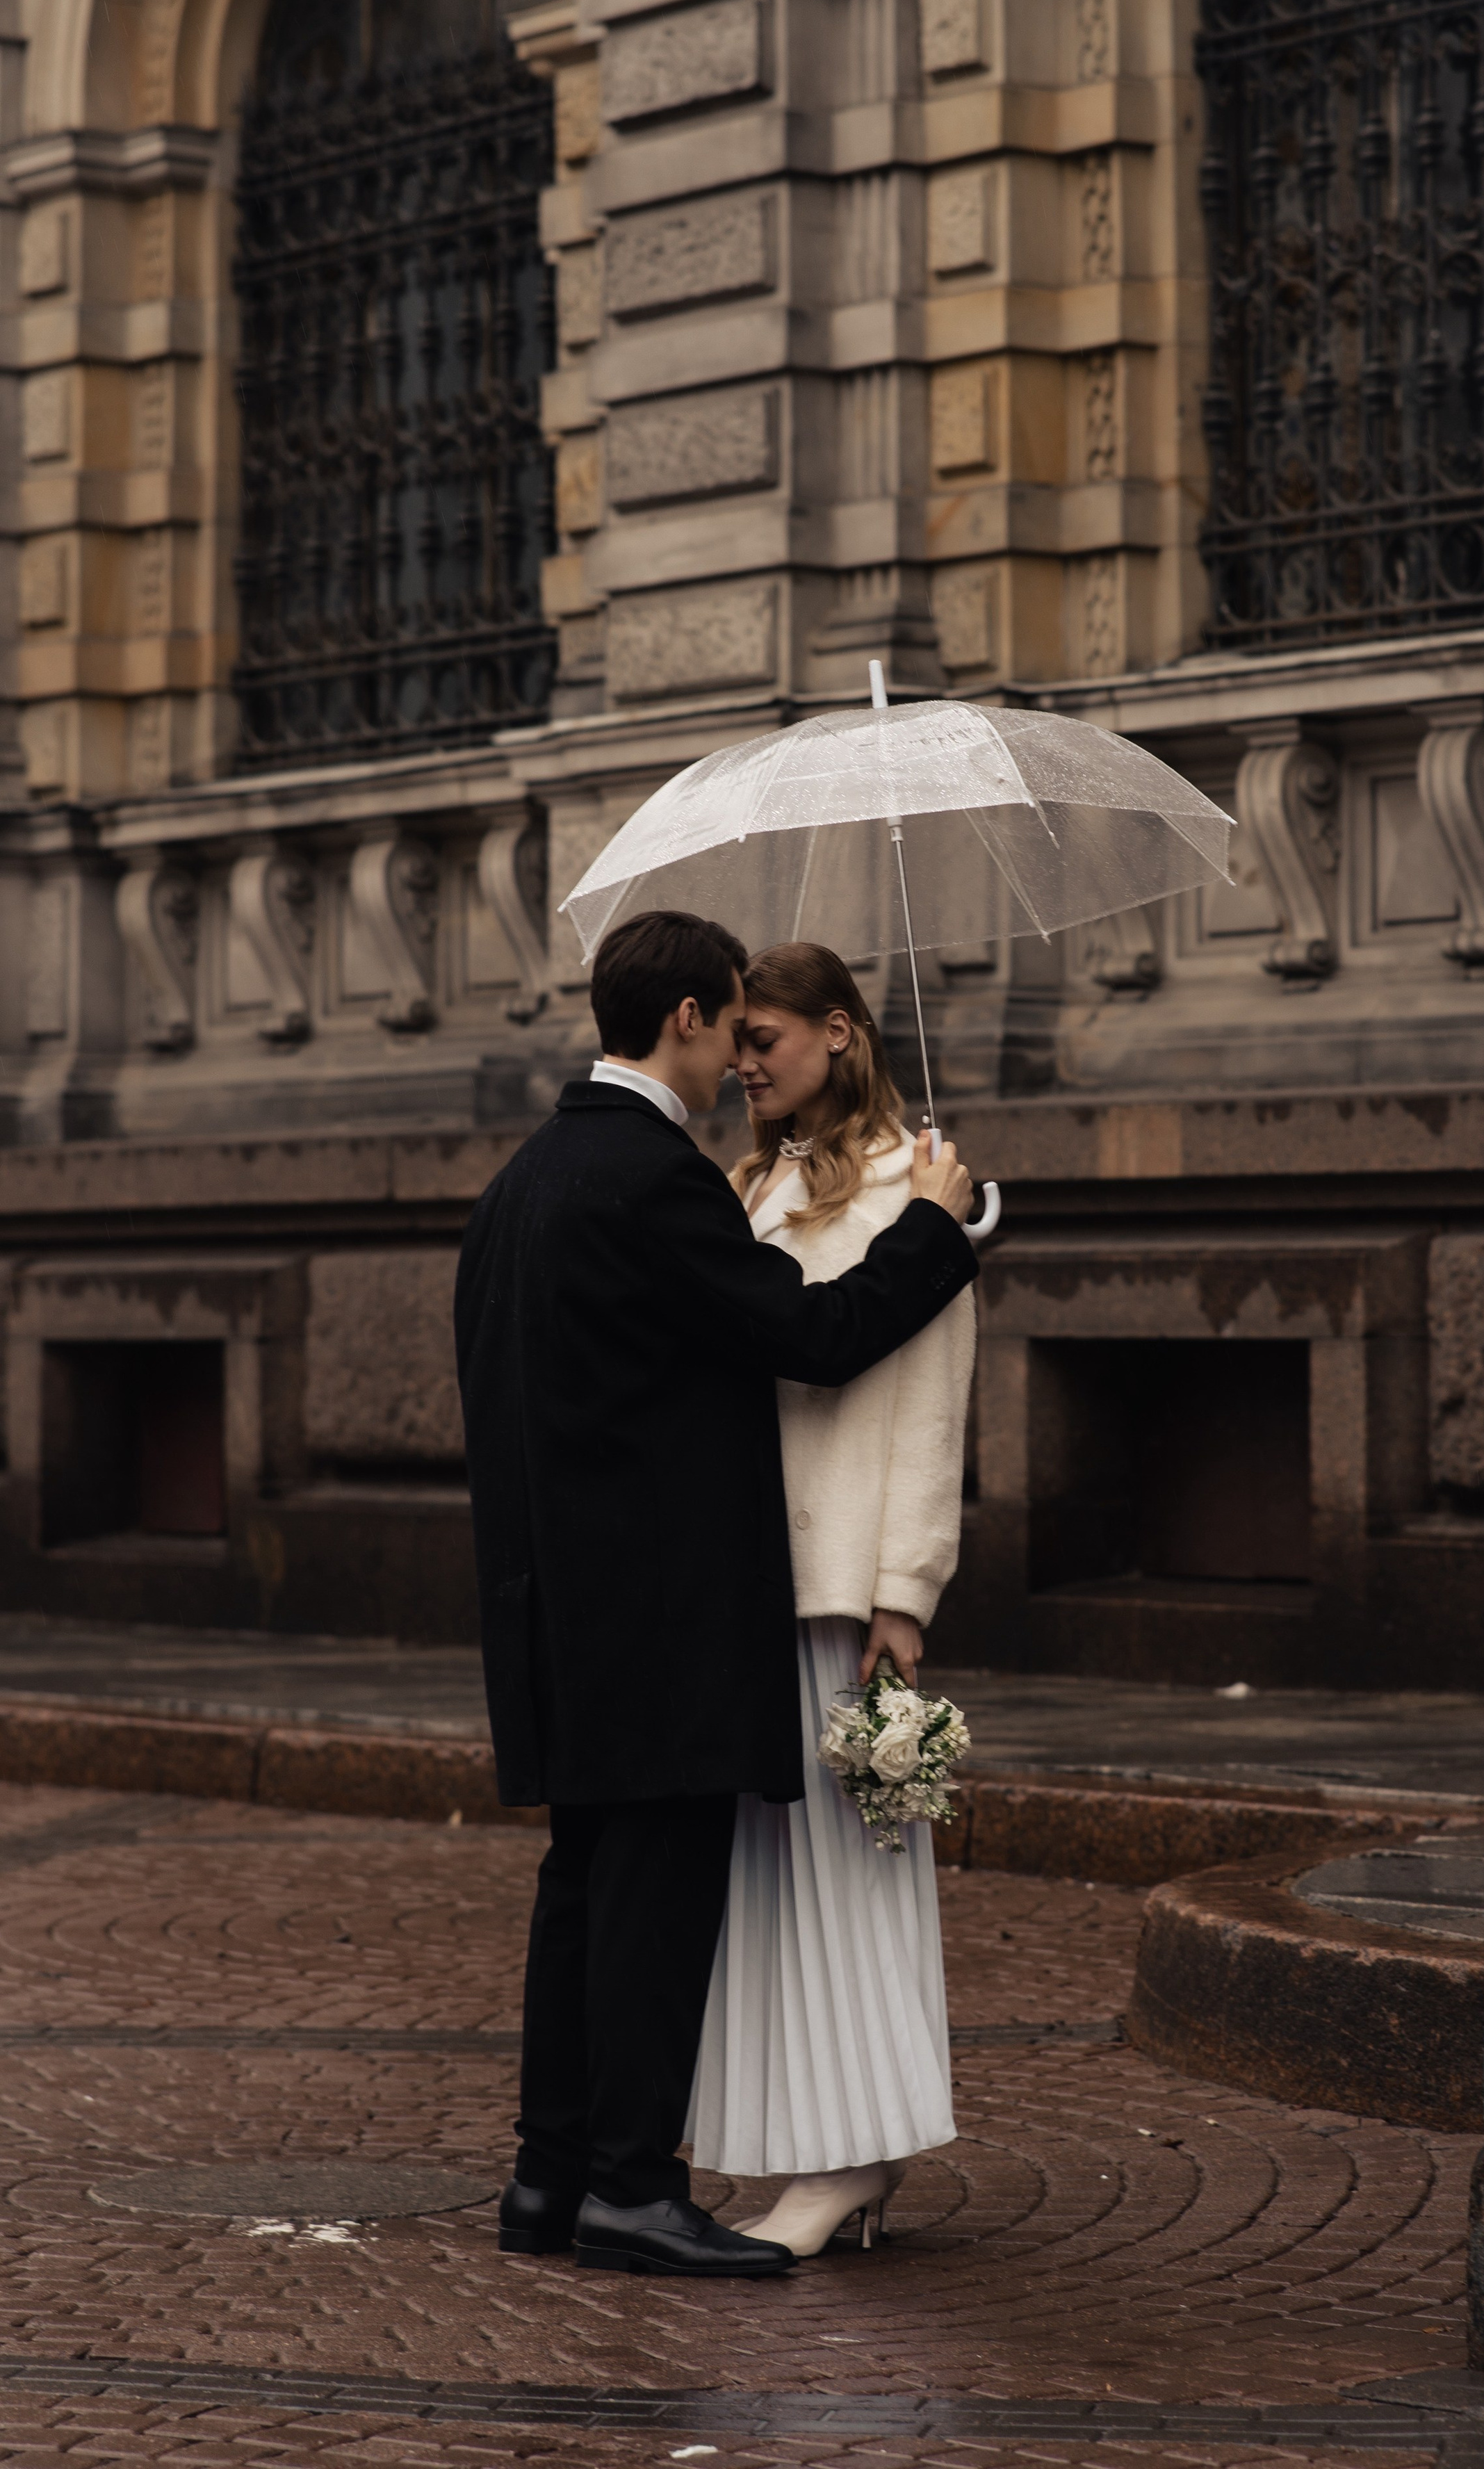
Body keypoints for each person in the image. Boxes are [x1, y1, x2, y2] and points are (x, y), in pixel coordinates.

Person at [452, 908, 977, 2282]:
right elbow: (812, 1333)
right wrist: (939, 1230)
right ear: (686, 1017)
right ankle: (631, 2187)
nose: (737, 1058)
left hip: (552, 1612)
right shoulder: (657, 1179)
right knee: (649, 1904)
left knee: (581, 1892)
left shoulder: (521, 1183)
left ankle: (548, 2179)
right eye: (730, 1025)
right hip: (661, 1621)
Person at [685, 942, 976, 2257]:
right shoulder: (751, 1184)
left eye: (766, 1039)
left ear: (840, 1033)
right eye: (736, 1041)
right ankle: (816, 2141)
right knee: (770, 1882)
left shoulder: (920, 1181)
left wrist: (905, 1593)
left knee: (855, 1873)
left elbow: (932, 1401)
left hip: (845, 1588)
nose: (744, 1063)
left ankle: (856, 2155)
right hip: (755, 1575)